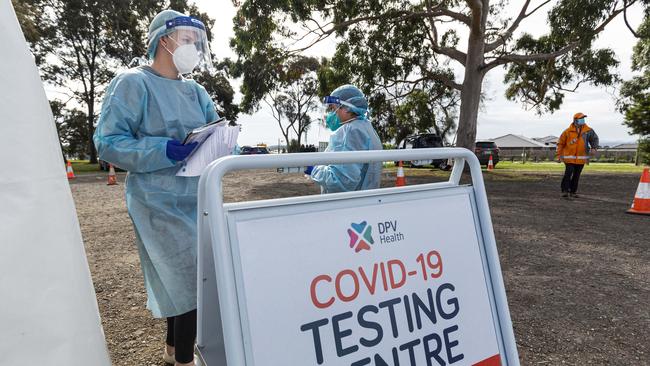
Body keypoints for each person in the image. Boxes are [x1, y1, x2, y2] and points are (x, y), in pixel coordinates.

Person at [93, 9, 217, 366]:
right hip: (156, 199)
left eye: (196, 41)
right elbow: (109, 142)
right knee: (189, 279)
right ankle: (183, 360)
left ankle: (170, 349)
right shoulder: (132, 83)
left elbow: (213, 128)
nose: (192, 47)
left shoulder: (195, 91)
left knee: (181, 279)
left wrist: (223, 144)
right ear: (163, 39)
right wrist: (162, 149)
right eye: (187, 40)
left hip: (196, 196)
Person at [305, 84, 383, 193]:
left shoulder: (350, 131)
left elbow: (341, 182)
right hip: (366, 201)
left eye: (332, 108)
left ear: (346, 108)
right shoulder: (367, 128)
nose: (331, 114)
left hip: (346, 206)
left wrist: (314, 170)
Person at [556, 112, 599, 198]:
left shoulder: (588, 131)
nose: (582, 120)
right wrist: (559, 156)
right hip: (569, 158)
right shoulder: (567, 132)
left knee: (576, 175)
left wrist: (594, 148)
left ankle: (573, 192)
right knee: (569, 173)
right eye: (580, 118)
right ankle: (565, 190)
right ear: (575, 120)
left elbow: (594, 139)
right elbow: (560, 144)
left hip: (581, 158)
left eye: (583, 118)